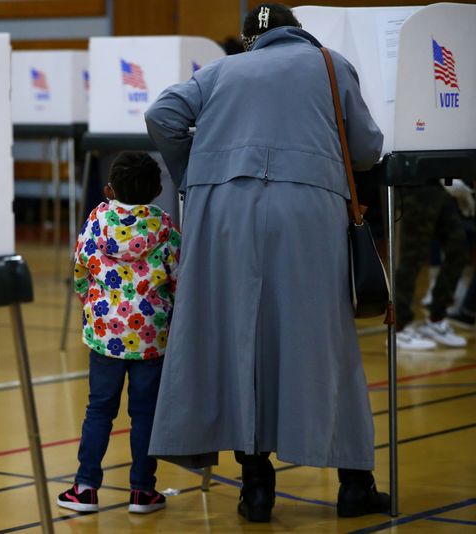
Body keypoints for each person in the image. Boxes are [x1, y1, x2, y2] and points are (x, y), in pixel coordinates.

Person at [144, 3, 389, 523]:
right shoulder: (329, 63)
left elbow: (161, 114)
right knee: (323, 340)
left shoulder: (221, 69)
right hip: (306, 209)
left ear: (252, 39)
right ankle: (353, 485)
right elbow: (366, 149)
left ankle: (255, 486)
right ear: (296, 32)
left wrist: (202, 169)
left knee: (238, 336)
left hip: (222, 212)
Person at [57, 151, 180, 514]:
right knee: (145, 415)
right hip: (151, 339)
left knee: (99, 410)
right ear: (158, 190)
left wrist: (94, 306)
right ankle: (143, 491)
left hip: (104, 335)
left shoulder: (97, 221)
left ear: (110, 188)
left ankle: (85, 488)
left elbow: (80, 269)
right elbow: (178, 279)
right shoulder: (165, 227)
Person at [393, 179, 470, 350]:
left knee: (458, 250)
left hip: (441, 186)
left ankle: (436, 319)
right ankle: (398, 328)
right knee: (413, 257)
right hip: (417, 184)